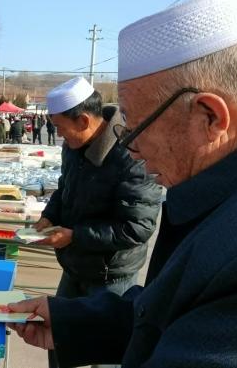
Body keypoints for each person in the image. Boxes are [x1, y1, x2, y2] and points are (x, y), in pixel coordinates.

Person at [0, 0, 237, 367]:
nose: (130, 147)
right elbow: (173, 311)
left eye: (134, 125)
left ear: (209, 117)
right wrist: (72, 321)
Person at [35, 76, 162, 367]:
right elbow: (65, 187)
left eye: (60, 128)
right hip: (75, 268)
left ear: (82, 121)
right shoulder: (74, 147)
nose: (59, 136)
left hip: (110, 276)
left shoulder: (132, 155)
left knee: (106, 353)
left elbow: (137, 227)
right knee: (58, 338)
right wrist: (49, 216)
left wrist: (75, 236)